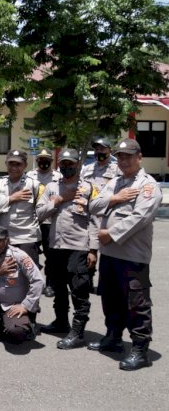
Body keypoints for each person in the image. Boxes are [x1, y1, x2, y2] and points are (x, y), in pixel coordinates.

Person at [90, 139, 162, 371]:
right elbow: (94, 204)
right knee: (111, 297)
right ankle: (113, 337)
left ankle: (140, 349)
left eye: (129, 156)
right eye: (120, 156)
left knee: (136, 302)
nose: (124, 160)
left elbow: (141, 216)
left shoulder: (148, 185)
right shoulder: (115, 182)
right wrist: (115, 198)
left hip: (133, 256)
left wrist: (110, 233)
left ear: (139, 157)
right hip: (110, 254)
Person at [35, 148, 106, 349]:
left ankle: (78, 332)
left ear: (78, 165)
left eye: (70, 163)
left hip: (79, 246)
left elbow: (96, 220)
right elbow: (39, 213)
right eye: (63, 163)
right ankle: (61, 321)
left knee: (79, 288)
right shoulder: (51, 187)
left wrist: (93, 249)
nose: (66, 167)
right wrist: (57, 200)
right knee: (58, 286)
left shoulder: (89, 188)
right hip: (56, 245)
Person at [0, 226, 44, 344]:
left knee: (17, 332)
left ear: (7, 240)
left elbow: (38, 281)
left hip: (12, 305)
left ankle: (22, 323)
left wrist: (25, 305)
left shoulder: (19, 256)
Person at [81, 138, 121, 292]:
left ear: (109, 150)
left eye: (102, 149)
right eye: (97, 149)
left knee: (107, 250)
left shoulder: (117, 169)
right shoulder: (87, 169)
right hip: (89, 214)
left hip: (107, 214)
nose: (99, 152)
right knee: (88, 250)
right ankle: (88, 279)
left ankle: (106, 283)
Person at [0, 150, 42, 264]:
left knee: (29, 276)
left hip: (27, 239)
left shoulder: (34, 185)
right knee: (6, 276)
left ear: (25, 166)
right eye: (11, 164)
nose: (14, 167)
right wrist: (11, 198)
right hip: (4, 239)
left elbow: (40, 212)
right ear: (6, 164)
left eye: (18, 164)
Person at [27, 148, 62, 298]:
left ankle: (49, 284)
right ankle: (32, 283)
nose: (43, 162)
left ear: (51, 161)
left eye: (46, 160)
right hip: (32, 220)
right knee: (31, 253)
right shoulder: (30, 175)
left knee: (50, 255)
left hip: (49, 220)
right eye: (41, 159)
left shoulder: (58, 176)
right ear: (37, 161)